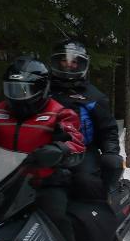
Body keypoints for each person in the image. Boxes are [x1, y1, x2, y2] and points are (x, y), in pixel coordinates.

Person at [0, 56, 85, 241]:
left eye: (23, 90)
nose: (17, 96)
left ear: (41, 89)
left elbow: (76, 143)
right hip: (0, 183)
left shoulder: (59, 113)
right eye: (11, 89)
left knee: (55, 218)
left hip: (44, 182)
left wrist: (58, 150)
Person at [48, 39, 123, 200]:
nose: (69, 65)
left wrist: (110, 152)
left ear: (82, 64)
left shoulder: (93, 96)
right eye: (64, 60)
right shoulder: (43, 91)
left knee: (86, 183)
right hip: (44, 149)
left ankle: (100, 216)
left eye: (74, 62)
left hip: (82, 151)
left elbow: (108, 129)